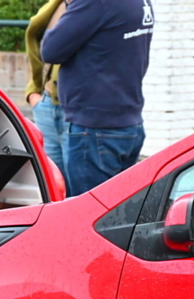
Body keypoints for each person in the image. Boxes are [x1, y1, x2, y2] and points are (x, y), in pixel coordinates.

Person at [41, 0, 154, 196]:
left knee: (88, 213)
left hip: (95, 128)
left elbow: (50, 49)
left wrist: (70, 5)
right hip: (128, 122)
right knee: (117, 210)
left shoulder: (94, 2)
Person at [25, 0, 69, 180]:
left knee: (81, 189)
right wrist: (34, 91)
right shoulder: (57, 5)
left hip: (76, 109)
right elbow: (34, 34)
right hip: (47, 103)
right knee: (52, 184)